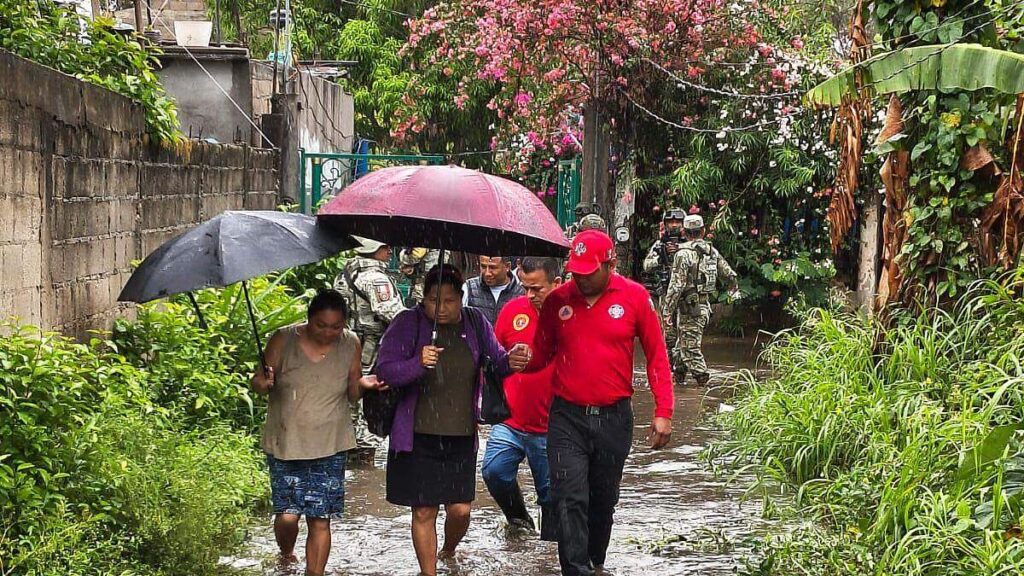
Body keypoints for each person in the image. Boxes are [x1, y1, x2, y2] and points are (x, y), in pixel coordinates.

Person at [526, 230, 674, 576]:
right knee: (569, 497)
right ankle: (575, 569)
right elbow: (541, 355)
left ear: (611, 264)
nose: (580, 279)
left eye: (588, 272)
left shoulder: (635, 298)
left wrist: (663, 411)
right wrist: (521, 359)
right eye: (575, 272)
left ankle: (595, 562)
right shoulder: (557, 301)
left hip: (614, 418)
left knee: (603, 500)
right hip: (567, 417)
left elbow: (656, 356)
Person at [375, 265, 531, 576]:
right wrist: (417, 363)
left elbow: (497, 362)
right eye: (433, 300)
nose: (441, 308)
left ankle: (448, 550)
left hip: (460, 435)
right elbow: (385, 370)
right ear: (423, 298)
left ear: (461, 298)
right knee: (424, 511)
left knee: (460, 510)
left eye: (449, 301)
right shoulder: (407, 323)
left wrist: (513, 360)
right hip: (417, 436)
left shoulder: (475, 322)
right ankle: (428, 571)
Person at [251, 290, 385, 576]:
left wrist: (365, 385)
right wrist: (264, 382)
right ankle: (286, 553)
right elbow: (259, 383)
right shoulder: (283, 339)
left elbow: (352, 392)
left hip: (330, 443)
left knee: (320, 518)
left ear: (344, 324)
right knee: (288, 516)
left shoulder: (350, 342)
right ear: (309, 319)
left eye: (335, 327)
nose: (328, 333)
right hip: (287, 441)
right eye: (321, 325)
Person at [482, 257, 562, 540]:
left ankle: (549, 549)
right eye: (525, 288)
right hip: (511, 420)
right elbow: (492, 357)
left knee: (551, 494)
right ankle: (519, 521)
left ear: (556, 283)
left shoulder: (570, 316)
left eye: (537, 289)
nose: (529, 295)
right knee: (494, 471)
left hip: (554, 426)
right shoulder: (513, 310)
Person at [335, 237, 406, 454]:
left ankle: (348, 441)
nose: (389, 251)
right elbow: (390, 312)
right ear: (373, 248)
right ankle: (363, 445)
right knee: (368, 390)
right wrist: (415, 325)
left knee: (350, 387)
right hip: (370, 345)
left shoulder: (346, 274)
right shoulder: (375, 278)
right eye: (385, 247)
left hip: (346, 342)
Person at [662, 214, 740, 386]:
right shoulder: (711, 251)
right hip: (703, 306)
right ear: (703, 231)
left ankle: (704, 384)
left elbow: (676, 286)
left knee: (690, 350)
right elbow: (729, 274)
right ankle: (678, 381)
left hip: (690, 308)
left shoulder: (683, 254)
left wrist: (667, 312)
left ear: (684, 232)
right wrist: (733, 290)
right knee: (680, 348)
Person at [643, 208, 687, 379]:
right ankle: (669, 372)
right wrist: (660, 258)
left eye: (678, 222)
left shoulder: (691, 245)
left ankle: (681, 370)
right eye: (671, 222)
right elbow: (647, 265)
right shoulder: (659, 245)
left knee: (686, 334)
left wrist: (680, 251)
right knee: (668, 335)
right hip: (666, 295)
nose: (674, 225)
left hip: (686, 296)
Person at [462, 255, 525, 325]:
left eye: (493, 268)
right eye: (483, 267)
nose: (487, 273)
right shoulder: (468, 289)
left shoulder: (523, 291)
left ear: (507, 266)